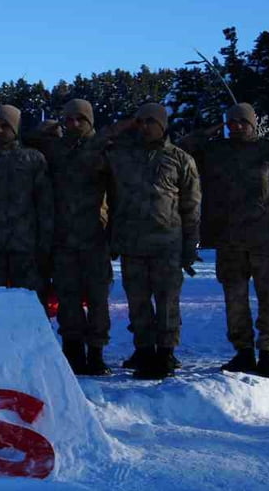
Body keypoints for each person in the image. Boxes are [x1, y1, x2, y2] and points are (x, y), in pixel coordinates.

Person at [182, 103, 269, 380]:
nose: (236, 127)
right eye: (231, 123)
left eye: (242, 122)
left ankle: (268, 353)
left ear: (253, 124)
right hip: (229, 240)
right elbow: (183, 147)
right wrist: (210, 129)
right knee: (234, 300)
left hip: (265, 240)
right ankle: (243, 351)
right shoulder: (216, 152)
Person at [107, 102, 201, 380]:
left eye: (151, 121)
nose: (145, 126)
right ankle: (144, 349)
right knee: (137, 301)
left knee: (167, 300)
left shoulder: (180, 159)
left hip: (166, 244)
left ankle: (166, 351)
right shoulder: (122, 156)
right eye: (140, 121)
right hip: (133, 243)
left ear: (163, 124)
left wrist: (189, 245)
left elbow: (191, 206)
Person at [33, 99, 114, 375]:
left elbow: (120, 191)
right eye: (68, 119)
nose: (73, 124)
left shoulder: (105, 149)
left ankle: (97, 353)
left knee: (97, 298)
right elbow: (29, 137)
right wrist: (53, 126)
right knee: (67, 298)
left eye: (80, 119)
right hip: (64, 237)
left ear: (90, 120)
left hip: (95, 235)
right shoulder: (56, 149)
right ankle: (72, 351)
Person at [0, 105, 53, 293]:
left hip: (25, 245)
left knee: (29, 301)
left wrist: (44, 241)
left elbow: (45, 204)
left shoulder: (33, 159)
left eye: (5, 126)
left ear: (16, 127)